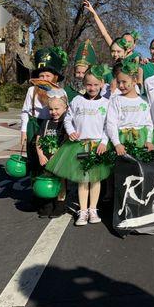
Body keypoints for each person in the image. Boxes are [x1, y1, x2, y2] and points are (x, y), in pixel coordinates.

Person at [46, 65, 111, 226]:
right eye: (89, 84)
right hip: (80, 145)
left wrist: (104, 142)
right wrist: (71, 131)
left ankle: (93, 209)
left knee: (96, 180)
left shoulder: (106, 103)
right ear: (84, 84)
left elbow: (109, 125)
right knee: (83, 180)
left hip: (98, 146)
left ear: (102, 83)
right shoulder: (77, 100)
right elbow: (68, 118)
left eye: (96, 84)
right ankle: (82, 211)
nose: (92, 88)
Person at [21, 47, 68, 182]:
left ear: (55, 77)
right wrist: (24, 131)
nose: (44, 79)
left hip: (53, 126)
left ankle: (54, 186)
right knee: (35, 158)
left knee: (52, 156)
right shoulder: (32, 91)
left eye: (47, 76)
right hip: (35, 124)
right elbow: (25, 112)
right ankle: (36, 186)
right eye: (41, 76)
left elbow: (66, 112)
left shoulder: (61, 92)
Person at [106, 60, 154, 154]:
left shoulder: (144, 101)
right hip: (121, 140)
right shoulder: (115, 100)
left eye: (124, 82)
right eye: (118, 82)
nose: (120, 85)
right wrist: (117, 144)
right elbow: (111, 123)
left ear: (134, 81)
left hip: (141, 140)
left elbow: (149, 123)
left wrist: (149, 140)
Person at [35, 89, 68, 217]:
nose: (53, 112)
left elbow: (66, 142)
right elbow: (39, 139)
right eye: (51, 109)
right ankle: (47, 205)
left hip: (59, 159)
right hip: (46, 159)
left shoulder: (65, 124)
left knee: (60, 182)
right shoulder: (46, 122)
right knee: (47, 180)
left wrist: (57, 156)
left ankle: (60, 206)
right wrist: (41, 155)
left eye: (57, 109)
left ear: (65, 108)